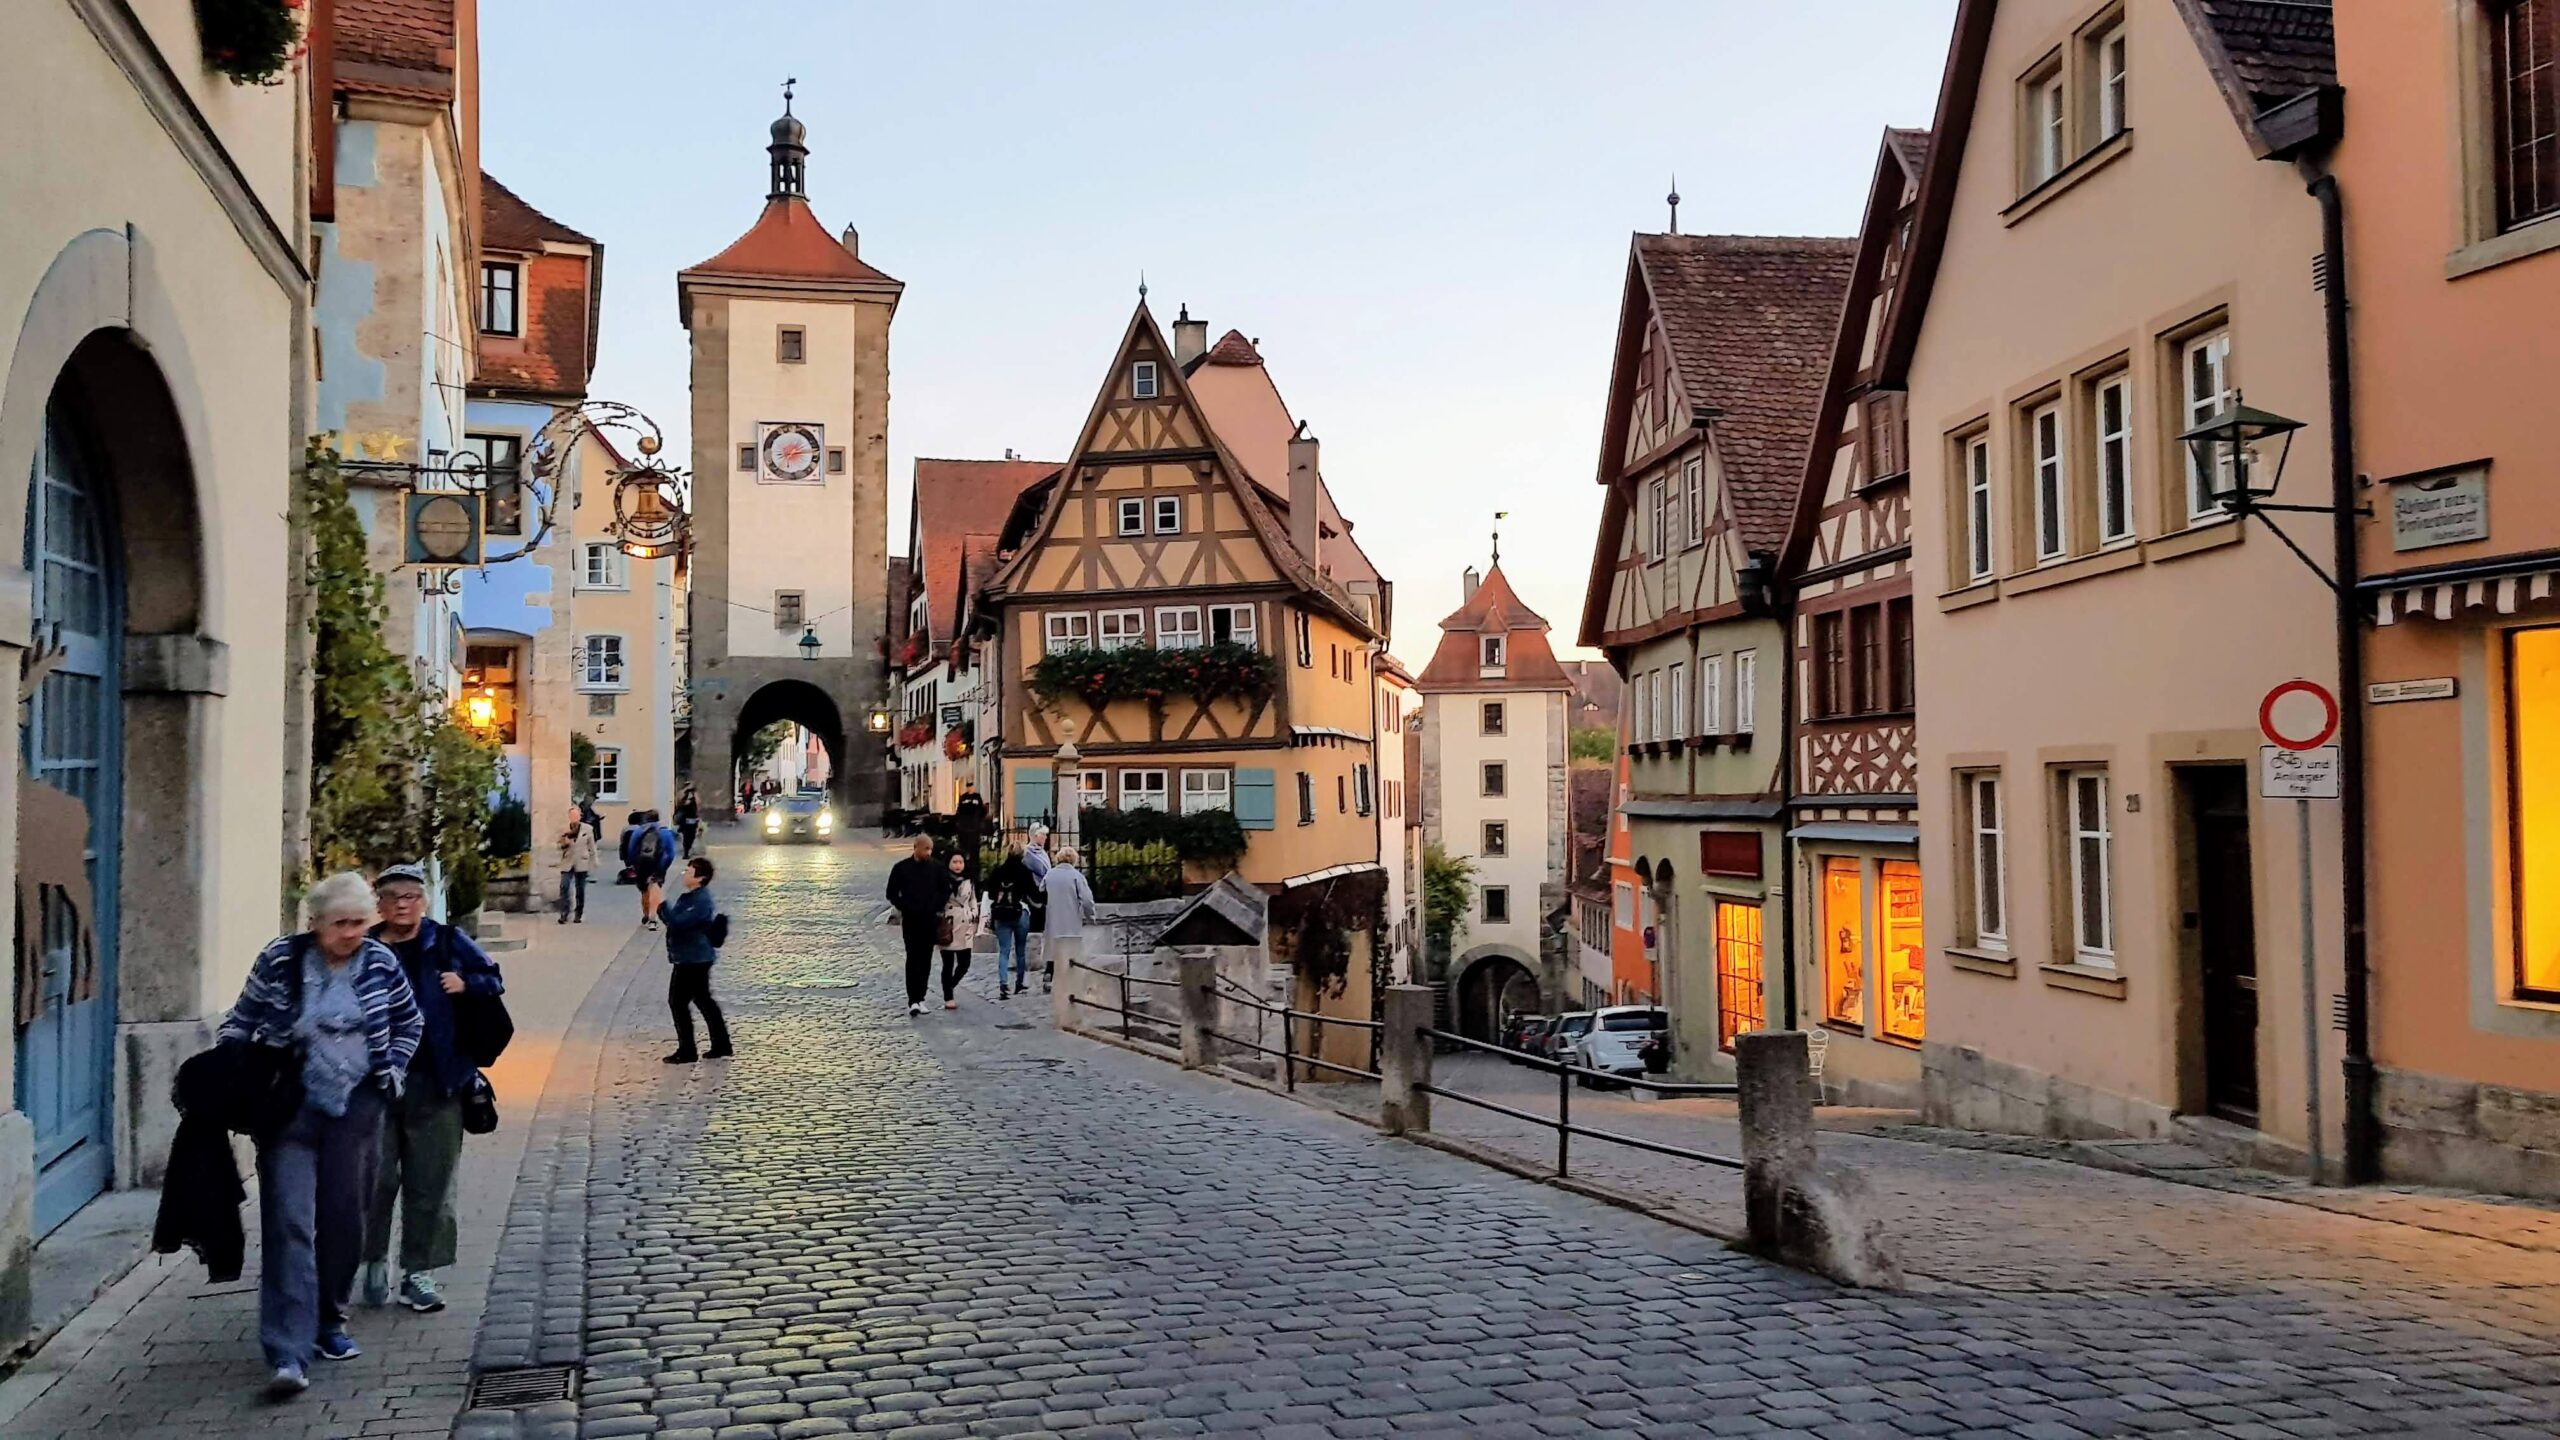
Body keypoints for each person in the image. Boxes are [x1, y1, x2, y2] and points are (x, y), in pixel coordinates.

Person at [217, 871, 422, 1398]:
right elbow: (240, 1021)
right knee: (289, 1223)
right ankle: (287, 1350)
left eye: (360, 923)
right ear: (315, 923)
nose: (352, 933)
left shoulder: (380, 963)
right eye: (341, 924)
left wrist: (393, 1071)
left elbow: (409, 1022)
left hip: (356, 1106)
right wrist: (230, 1074)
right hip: (289, 1108)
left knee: (344, 1218)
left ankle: (330, 1319)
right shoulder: (281, 960)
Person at [359, 864, 503, 1317]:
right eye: (393, 896)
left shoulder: (446, 941)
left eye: (411, 896)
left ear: (424, 901)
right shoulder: (363, 948)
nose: (403, 904)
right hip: (376, 1084)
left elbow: (494, 979)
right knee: (374, 1181)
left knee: (432, 1184)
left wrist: (467, 984)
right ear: (378, 903)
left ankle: (419, 1272)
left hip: (439, 1081)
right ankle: (373, 1260)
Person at [662, 856, 731, 1062]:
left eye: (689, 871)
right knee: (703, 1000)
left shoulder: (700, 900)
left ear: (700, 877)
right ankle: (721, 1044)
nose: (685, 874)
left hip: (694, 959)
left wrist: (661, 905)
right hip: (690, 956)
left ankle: (687, 1051)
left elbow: (677, 923)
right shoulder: (691, 897)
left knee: (678, 1002)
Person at [886, 836, 953, 1018]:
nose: (928, 853)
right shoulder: (901, 868)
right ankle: (912, 999)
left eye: (930, 849)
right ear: (916, 848)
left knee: (926, 960)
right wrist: (904, 906)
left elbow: (945, 890)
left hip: (930, 920)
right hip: (911, 920)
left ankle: (921, 997)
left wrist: (937, 907)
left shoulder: (937, 868)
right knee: (912, 958)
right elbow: (891, 892)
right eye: (925, 849)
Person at [985, 840, 1040, 1000]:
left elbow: (989, 894)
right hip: (1019, 912)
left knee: (1004, 950)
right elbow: (1033, 893)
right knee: (1020, 950)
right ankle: (1019, 983)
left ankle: (1003, 982)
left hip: (1001, 914)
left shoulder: (998, 870)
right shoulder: (1025, 871)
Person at [1040, 845, 1097, 992]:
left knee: (1054, 951)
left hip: (1053, 920)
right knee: (1071, 952)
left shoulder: (1049, 875)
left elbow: (1041, 892)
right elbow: (1086, 900)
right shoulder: (1077, 877)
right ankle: (1068, 982)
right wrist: (1091, 916)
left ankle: (1049, 975)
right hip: (1071, 921)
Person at [937, 851, 980, 1010]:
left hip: (965, 923)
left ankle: (951, 985)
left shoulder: (969, 880)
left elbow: (973, 898)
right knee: (947, 964)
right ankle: (948, 996)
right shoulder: (942, 880)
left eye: (960, 862)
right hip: (948, 923)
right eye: (954, 862)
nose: (957, 865)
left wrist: (974, 912)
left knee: (964, 963)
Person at [622, 809, 676, 928]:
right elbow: (671, 853)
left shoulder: (638, 831)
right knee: (655, 888)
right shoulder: (665, 832)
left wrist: (632, 863)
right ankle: (653, 917)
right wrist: (665, 864)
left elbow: (631, 849)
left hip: (642, 864)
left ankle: (646, 914)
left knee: (644, 890)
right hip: (658, 865)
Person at [557, 814, 596, 924]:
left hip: (581, 861)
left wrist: (594, 861)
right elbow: (558, 846)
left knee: (580, 889)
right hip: (567, 861)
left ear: (579, 816)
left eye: (576, 815)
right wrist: (564, 842)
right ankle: (564, 912)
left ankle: (579, 913)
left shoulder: (587, 829)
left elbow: (592, 846)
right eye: (571, 815)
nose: (573, 817)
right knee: (564, 886)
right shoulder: (564, 829)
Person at [951, 782, 990, 883]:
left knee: (974, 853)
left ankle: (975, 873)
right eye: (969, 787)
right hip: (964, 830)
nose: (970, 789)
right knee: (964, 850)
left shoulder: (977, 797)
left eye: (972, 787)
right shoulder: (963, 798)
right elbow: (959, 812)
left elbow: (982, 811)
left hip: (975, 829)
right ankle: (965, 868)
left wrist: (980, 822)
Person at [674, 786, 702, 859]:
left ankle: (687, 850)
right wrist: (685, 790)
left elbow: (698, 804)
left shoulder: (694, 800)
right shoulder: (683, 799)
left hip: (692, 820)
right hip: (685, 821)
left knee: (691, 836)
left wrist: (694, 792)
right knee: (686, 837)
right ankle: (686, 851)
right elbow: (679, 801)